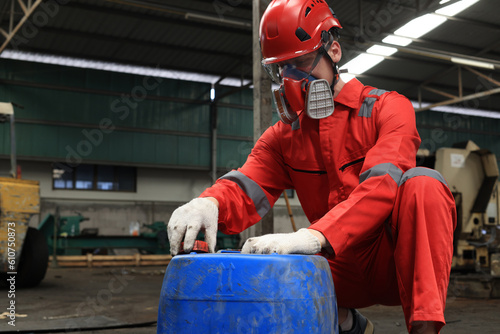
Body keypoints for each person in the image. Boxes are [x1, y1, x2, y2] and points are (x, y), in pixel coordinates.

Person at [167, 0, 457, 333]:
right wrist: (211, 203)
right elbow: (246, 185)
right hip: (334, 268)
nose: (293, 80)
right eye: (282, 69)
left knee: (424, 183)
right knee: (265, 262)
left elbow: (382, 186)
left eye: (301, 63)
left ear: (334, 51)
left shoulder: (387, 109)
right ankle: (347, 322)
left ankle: (424, 329)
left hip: (393, 263)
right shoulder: (283, 138)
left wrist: (314, 235)